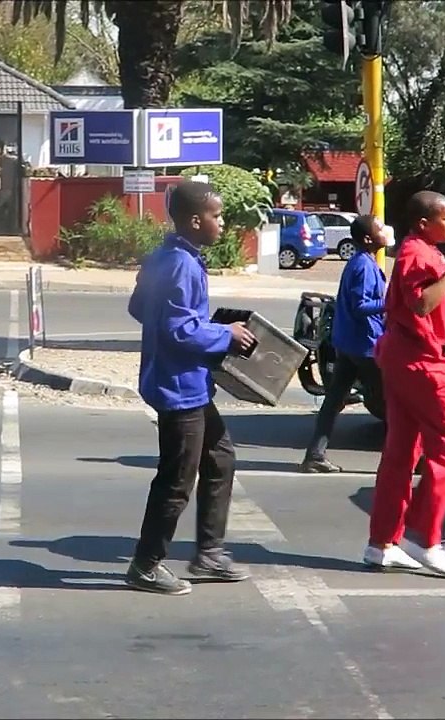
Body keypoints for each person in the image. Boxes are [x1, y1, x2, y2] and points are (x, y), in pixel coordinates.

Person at [124, 181, 258, 596]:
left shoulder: (167, 256)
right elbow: (179, 330)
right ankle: (146, 565)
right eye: (218, 216)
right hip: (178, 386)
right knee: (176, 479)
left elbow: (138, 308)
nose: (223, 223)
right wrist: (225, 334)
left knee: (220, 457)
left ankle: (210, 552)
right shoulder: (180, 264)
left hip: (187, 381)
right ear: (195, 220)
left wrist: (208, 328)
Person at [365, 190, 445, 578]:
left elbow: (432, 290)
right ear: (423, 223)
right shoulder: (416, 252)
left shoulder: (422, 249)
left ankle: (382, 543)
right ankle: (425, 538)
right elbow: (421, 304)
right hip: (420, 359)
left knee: (403, 450)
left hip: (401, 355)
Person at [299, 214, 394, 473]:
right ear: (367, 238)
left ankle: (314, 456)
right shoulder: (363, 265)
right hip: (365, 347)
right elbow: (360, 305)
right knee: (394, 403)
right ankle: (406, 460)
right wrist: (393, 303)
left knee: (333, 402)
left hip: (350, 344)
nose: (386, 231)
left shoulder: (362, 262)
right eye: (380, 228)